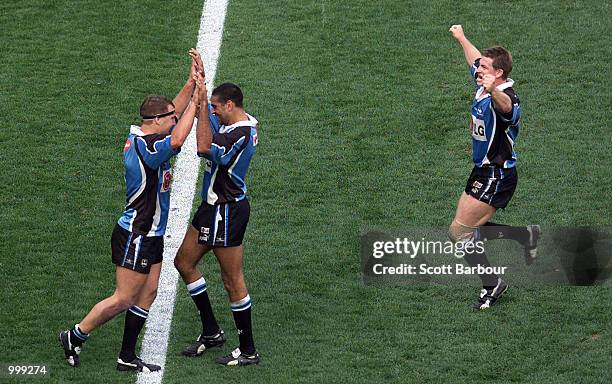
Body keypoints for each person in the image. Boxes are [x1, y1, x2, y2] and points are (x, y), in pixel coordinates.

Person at [59, 51, 207, 372]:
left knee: (149, 293)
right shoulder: (148, 148)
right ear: (155, 121)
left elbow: (175, 114)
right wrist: (198, 103)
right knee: (124, 298)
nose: (174, 119)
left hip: (149, 234)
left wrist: (191, 83)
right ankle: (75, 335)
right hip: (136, 235)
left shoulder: (146, 135)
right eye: (169, 117)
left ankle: (126, 356)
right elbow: (179, 138)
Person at [173, 49, 260, 366]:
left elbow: (203, 146)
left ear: (231, 106)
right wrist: (202, 85)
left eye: (216, 107)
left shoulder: (239, 134)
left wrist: (201, 105)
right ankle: (211, 331)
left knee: (232, 280)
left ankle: (248, 349)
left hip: (227, 212)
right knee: (183, 262)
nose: (212, 111)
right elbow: (208, 119)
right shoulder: (237, 121)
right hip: (211, 207)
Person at [448, 25, 540, 310]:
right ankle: (523, 235)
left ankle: (493, 284)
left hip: (497, 174)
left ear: (498, 73)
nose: (478, 69)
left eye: (485, 67)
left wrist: (492, 91)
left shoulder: (507, 97)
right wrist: (462, 38)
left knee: (459, 234)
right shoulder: (483, 80)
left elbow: (508, 111)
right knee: (464, 231)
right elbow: (473, 58)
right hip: (482, 170)